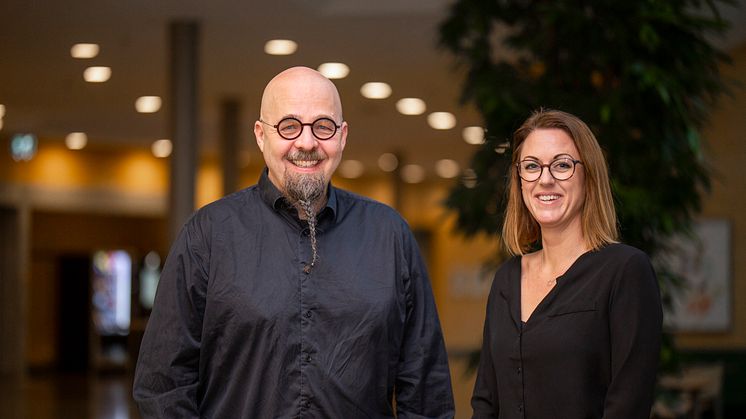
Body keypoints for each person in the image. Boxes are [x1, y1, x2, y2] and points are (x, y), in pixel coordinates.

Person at [133, 66, 454, 418]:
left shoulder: (390, 235)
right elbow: (163, 385)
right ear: (260, 135)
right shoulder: (207, 235)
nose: (306, 142)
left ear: (342, 136)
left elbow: (425, 390)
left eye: (323, 126)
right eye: (289, 126)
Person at [471, 109, 662, 418]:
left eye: (562, 165)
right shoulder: (507, 279)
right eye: (531, 167)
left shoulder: (625, 271)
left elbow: (627, 407)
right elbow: (486, 402)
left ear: (589, 177)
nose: (545, 179)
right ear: (520, 181)